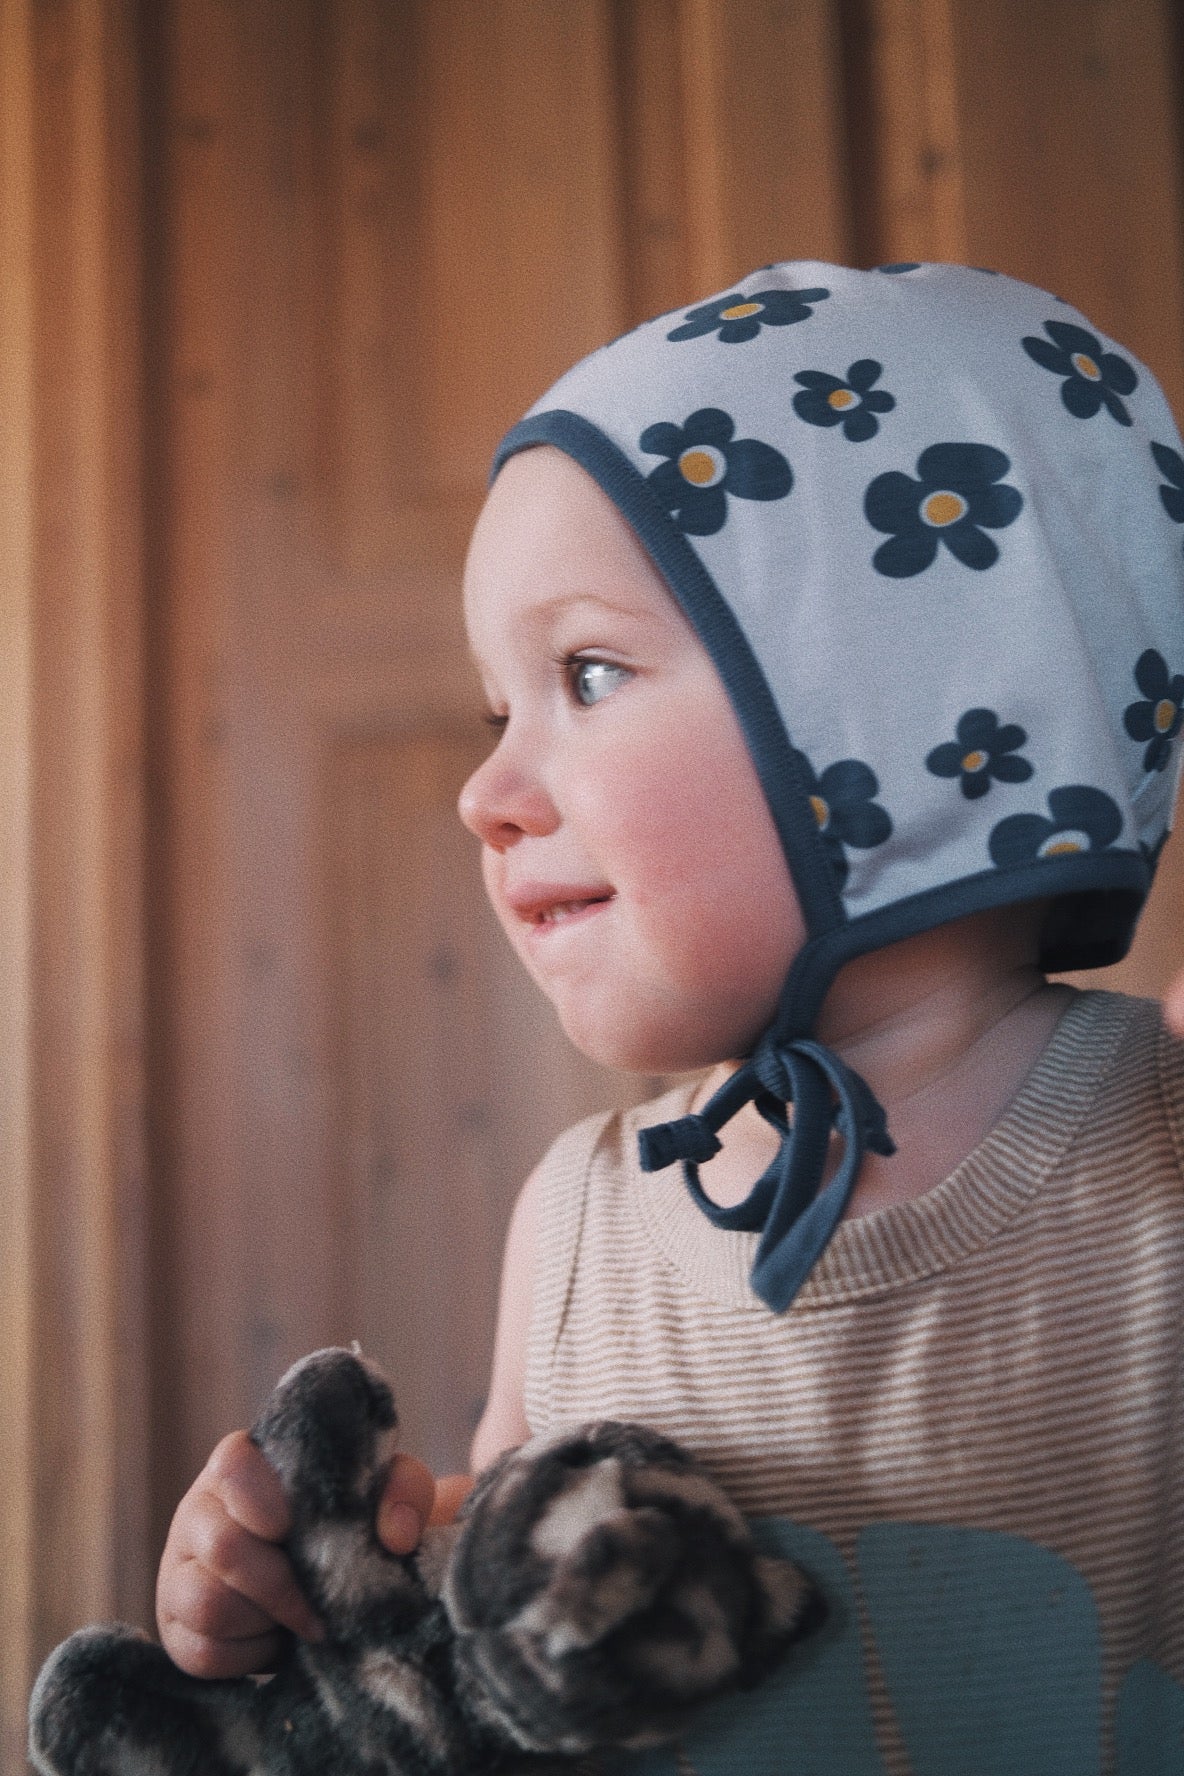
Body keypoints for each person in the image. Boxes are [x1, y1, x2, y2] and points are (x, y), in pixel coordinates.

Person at [157, 264, 1184, 1770]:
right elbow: (504, 1665)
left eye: (586, 673)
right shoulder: (577, 1226)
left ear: (893, 700)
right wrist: (311, 1608)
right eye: (496, 711)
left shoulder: (1157, 1133)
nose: (483, 794)